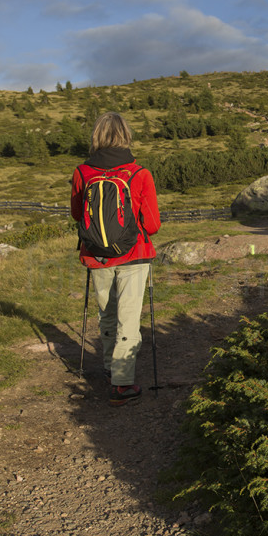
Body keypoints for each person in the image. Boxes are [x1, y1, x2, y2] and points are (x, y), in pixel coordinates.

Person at [70, 112, 161, 406]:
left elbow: (77, 215)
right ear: (126, 135)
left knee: (107, 314)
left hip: (96, 255)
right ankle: (122, 385)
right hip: (134, 255)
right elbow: (153, 225)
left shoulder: (82, 173)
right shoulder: (139, 173)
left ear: (96, 136)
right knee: (129, 318)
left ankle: (110, 370)